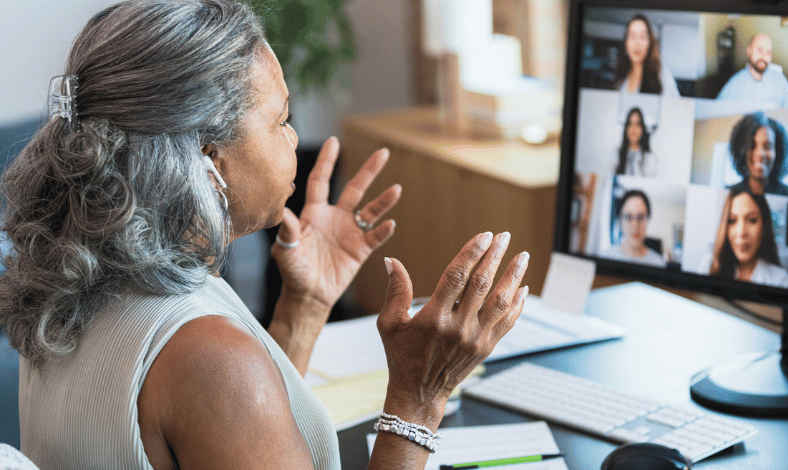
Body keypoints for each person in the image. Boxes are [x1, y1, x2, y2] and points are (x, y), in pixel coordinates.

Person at [0, 2, 530, 469]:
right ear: (208, 159)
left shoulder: (75, 288)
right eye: (281, 120)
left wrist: (303, 307)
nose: (295, 137)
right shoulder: (208, 358)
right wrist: (419, 399)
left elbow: (218, 431)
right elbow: (218, 387)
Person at [707, 189, 788, 287]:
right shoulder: (708, 266)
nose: (741, 232)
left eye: (752, 220)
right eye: (732, 220)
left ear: (764, 227)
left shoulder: (781, 280)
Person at [726, 111, 788, 198]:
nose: (760, 154)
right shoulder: (729, 194)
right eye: (752, 146)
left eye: (767, 146)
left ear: (778, 152)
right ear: (741, 150)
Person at [716, 33, 788, 108]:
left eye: (768, 52)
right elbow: (717, 111)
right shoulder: (735, 83)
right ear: (749, 51)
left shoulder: (780, 80)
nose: (764, 56)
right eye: (760, 50)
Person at [612, 14, 680, 97]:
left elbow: (675, 108)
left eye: (642, 36)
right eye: (632, 36)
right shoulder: (620, 79)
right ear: (626, 44)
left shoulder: (662, 76)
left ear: (650, 43)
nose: (637, 42)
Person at [602, 190, 666, 267]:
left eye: (640, 217)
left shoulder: (659, 263)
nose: (635, 224)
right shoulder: (606, 257)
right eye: (628, 217)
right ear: (620, 221)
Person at [615, 107, 657, 176]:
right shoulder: (616, 154)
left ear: (642, 129)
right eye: (630, 124)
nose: (633, 129)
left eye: (637, 124)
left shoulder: (650, 158)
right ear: (626, 128)